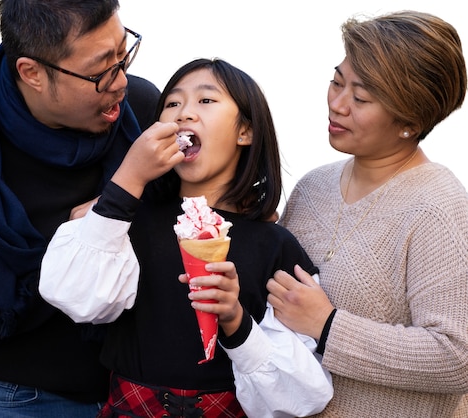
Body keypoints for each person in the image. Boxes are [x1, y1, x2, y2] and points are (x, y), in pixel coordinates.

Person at [0, 0, 185, 416]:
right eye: (100, 71)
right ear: (32, 73)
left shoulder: (140, 110)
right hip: (20, 398)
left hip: (143, 388)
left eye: (122, 53)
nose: (120, 81)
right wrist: (79, 244)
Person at [40, 58, 333, 417]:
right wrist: (126, 186)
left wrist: (235, 320)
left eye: (206, 101)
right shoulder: (124, 222)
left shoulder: (276, 246)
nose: (184, 114)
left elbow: (304, 396)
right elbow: (74, 297)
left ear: (245, 131)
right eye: (173, 103)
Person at [266, 10, 468, 418]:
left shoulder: (437, 206)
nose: (337, 104)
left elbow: (456, 357)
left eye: (360, 98)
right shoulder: (311, 188)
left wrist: (328, 326)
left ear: (410, 121)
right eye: (337, 82)